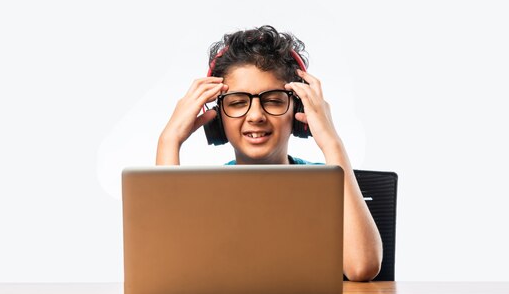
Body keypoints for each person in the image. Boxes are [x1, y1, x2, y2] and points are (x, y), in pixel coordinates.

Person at [156, 25, 382, 281]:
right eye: (238, 102)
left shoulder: (327, 183)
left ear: (299, 111)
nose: (255, 116)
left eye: (274, 100)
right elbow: (165, 271)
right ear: (218, 119)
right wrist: (169, 141)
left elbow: (362, 267)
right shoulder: (201, 194)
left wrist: (332, 142)